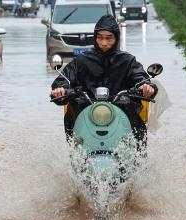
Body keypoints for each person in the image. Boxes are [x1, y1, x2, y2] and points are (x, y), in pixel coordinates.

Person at [50, 14, 155, 143]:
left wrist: (144, 86)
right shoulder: (81, 61)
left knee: (129, 106)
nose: (104, 43)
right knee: (76, 104)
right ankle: (77, 152)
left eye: (109, 38)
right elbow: (63, 79)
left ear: (116, 38)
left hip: (119, 112)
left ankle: (137, 155)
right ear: (95, 38)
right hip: (87, 112)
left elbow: (140, 77)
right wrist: (61, 89)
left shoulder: (128, 61)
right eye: (100, 38)